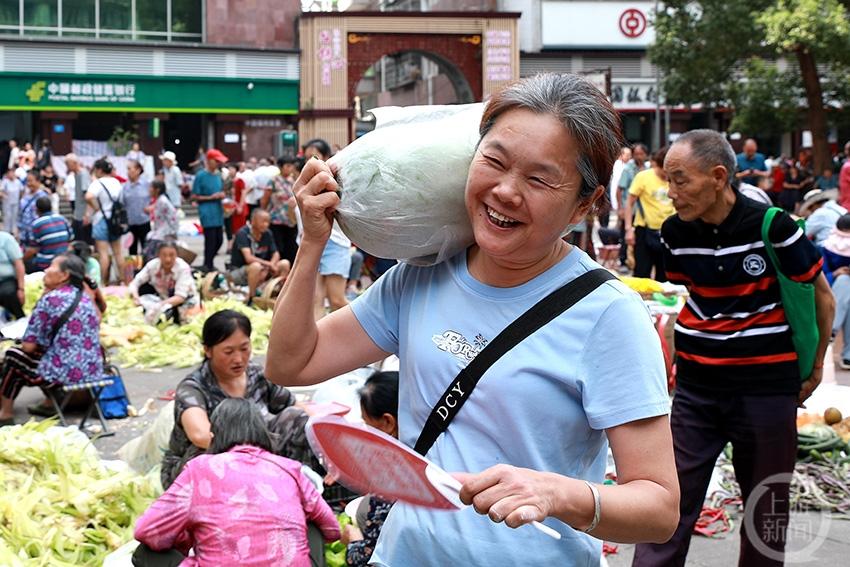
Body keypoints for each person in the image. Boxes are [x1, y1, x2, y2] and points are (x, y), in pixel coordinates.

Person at [268, 73, 679, 565]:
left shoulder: (607, 314)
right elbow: (292, 364)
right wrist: (313, 241)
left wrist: (556, 494)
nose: (504, 191)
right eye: (495, 161)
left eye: (539, 179)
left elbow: (658, 506)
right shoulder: (421, 276)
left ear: (585, 205)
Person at [633, 129, 834, 567]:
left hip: (766, 390)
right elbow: (689, 298)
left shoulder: (774, 227)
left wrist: (816, 367)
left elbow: (822, 295)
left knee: (767, 508)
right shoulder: (673, 234)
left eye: (680, 180)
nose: (671, 193)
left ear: (718, 177)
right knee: (670, 501)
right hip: (697, 392)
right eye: (667, 180)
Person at [134, 398, 340, 567]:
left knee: (145, 553)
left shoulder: (199, 469)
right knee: (312, 523)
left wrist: (186, 537)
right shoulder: (289, 468)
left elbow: (147, 531)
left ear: (214, 437)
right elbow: (332, 529)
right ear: (263, 434)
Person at [161, 310, 314, 489]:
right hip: (200, 468)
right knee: (203, 452)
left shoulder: (257, 375)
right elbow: (200, 436)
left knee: (296, 419)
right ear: (208, 351)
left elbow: (295, 407)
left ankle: (298, 487)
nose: (239, 359)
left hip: (258, 457)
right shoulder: (193, 387)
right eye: (228, 352)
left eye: (244, 348)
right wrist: (253, 451)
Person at [0, 255, 102, 426]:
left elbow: (28, 347)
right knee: (42, 356)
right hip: (92, 369)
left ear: (64, 275)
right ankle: (48, 404)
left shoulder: (49, 300)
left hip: (65, 372)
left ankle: (5, 413)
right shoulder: (85, 299)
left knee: (13, 356)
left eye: (51, 266)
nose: (46, 270)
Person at [342, 370, 398, 567]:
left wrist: (354, 542)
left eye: (368, 424)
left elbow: (366, 558)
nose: (366, 432)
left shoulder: (393, 479)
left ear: (388, 422)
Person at [303, 139, 353, 319]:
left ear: (325, 157)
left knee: (337, 300)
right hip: (314, 245)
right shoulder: (305, 183)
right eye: (307, 157)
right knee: (316, 299)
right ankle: (318, 342)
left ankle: (365, 334)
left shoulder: (336, 181)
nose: (310, 161)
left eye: (315, 156)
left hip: (336, 243)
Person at [624, 146, 674, 281]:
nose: (668, 174)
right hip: (644, 231)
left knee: (666, 276)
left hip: (669, 233)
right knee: (642, 274)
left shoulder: (674, 179)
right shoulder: (643, 177)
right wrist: (629, 229)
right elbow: (629, 203)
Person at [229, 209, 291, 304]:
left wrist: (272, 265)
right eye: (263, 221)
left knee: (284, 263)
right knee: (255, 266)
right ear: (253, 221)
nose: (266, 224)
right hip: (241, 271)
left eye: (268, 222)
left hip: (263, 269)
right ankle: (252, 298)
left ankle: (279, 295)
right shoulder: (243, 233)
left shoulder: (267, 233)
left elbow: (276, 253)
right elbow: (249, 258)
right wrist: (269, 265)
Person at [129, 242, 198, 325]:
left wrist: (159, 306)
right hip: (164, 300)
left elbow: (180, 297)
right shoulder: (152, 265)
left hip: (185, 302)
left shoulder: (183, 268)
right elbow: (135, 283)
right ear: (158, 255)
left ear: (177, 255)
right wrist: (136, 298)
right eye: (164, 255)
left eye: (171, 255)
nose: (167, 259)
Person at [86, 158, 126, 284]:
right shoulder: (116, 182)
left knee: (103, 254)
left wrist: (96, 208)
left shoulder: (98, 183)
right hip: (115, 220)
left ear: (99, 170)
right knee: (118, 253)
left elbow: (89, 196)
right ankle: (123, 280)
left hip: (101, 220)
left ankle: (103, 282)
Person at [192, 149, 228, 273]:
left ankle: (209, 263)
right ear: (208, 161)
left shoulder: (218, 175)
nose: (218, 163)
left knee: (219, 240)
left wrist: (222, 195)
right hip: (207, 211)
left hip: (218, 211)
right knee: (210, 240)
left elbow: (221, 190)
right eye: (216, 161)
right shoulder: (200, 175)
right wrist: (211, 197)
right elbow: (195, 196)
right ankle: (208, 265)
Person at [617, 143, 649, 270]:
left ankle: (636, 261)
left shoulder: (648, 169)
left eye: (641, 154)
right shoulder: (628, 169)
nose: (639, 156)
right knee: (625, 234)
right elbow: (619, 189)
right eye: (636, 154)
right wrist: (620, 208)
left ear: (646, 155)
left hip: (643, 211)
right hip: (629, 208)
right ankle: (623, 261)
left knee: (640, 237)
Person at [262, 157, 299, 265]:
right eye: (287, 166)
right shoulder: (273, 181)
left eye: (291, 166)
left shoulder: (294, 181)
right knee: (278, 246)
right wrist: (264, 213)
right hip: (276, 219)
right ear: (281, 167)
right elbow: (265, 199)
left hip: (291, 219)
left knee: (291, 247)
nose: (290, 169)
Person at [23, 197, 73, 274]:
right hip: (64, 261)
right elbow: (71, 238)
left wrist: (22, 260)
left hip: (45, 264)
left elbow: (33, 250)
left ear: (37, 210)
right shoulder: (62, 219)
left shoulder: (36, 224)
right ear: (51, 207)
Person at [144, 180, 179, 262]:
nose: (149, 190)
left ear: (157, 189)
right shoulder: (160, 200)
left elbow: (172, 219)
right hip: (161, 233)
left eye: (151, 187)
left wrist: (172, 233)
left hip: (164, 235)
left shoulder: (162, 201)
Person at [123, 159, 151, 257]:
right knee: (132, 250)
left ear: (138, 170)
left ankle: (146, 269)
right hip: (130, 223)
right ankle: (133, 271)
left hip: (144, 221)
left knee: (146, 248)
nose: (128, 171)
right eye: (127, 169)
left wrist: (151, 207)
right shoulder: (124, 187)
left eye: (131, 169)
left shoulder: (147, 184)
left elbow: (158, 198)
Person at [65, 153, 93, 244]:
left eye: (68, 164)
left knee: (84, 241)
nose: (67, 167)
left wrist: (87, 214)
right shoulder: (76, 175)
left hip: (84, 214)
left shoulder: (83, 174)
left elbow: (88, 196)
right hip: (78, 213)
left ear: (74, 163)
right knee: (77, 239)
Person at [17, 170, 50, 246]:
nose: (29, 183)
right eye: (27, 181)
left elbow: (46, 216)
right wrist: (18, 229)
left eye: (31, 181)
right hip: (24, 234)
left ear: (38, 181)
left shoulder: (43, 196)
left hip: (37, 234)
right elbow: (20, 213)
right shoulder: (25, 196)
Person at [0, 229, 25, 320]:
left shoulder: (6, 239)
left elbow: (18, 263)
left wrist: (21, 289)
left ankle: (20, 320)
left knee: (8, 294)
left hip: (6, 280)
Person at [1, 167, 22, 235]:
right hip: (7, 202)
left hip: (15, 202)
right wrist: (4, 196)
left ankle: (13, 231)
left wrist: (20, 198)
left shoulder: (18, 181)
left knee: (15, 216)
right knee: (7, 217)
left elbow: (22, 190)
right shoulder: (5, 181)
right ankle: (6, 232)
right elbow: (1, 191)